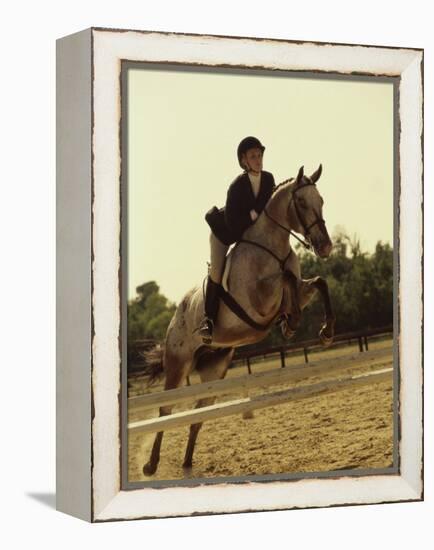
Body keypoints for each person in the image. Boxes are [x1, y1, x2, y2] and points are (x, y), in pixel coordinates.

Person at [198, 136, 276, 343]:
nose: (258, 160)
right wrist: (254, 215)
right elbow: (234, 224)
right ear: (244, 161)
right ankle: (208, 321)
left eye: (259, 155)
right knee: (216, 273)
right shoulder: (237, 186)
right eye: (253, 156)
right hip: (224, 234)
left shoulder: (268, 179)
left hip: (248, 235)